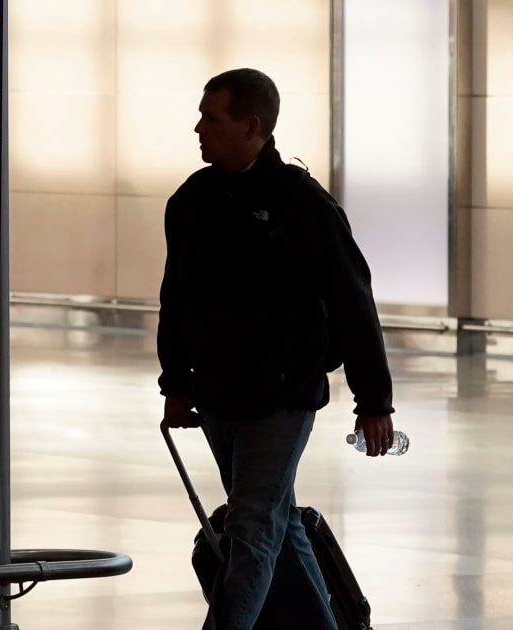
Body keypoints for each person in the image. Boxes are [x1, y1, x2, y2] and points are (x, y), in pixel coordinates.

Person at [158, 68, 397, 630]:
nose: (198, 128)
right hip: (217, 395)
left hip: (280, 396)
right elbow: (176, 299)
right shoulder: (192, 201)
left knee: (253, 530)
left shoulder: (303, 205)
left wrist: (375, 400)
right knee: (274, 519)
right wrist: (177, 383)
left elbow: (352, 303)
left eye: (211, 118)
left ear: (252, 126)